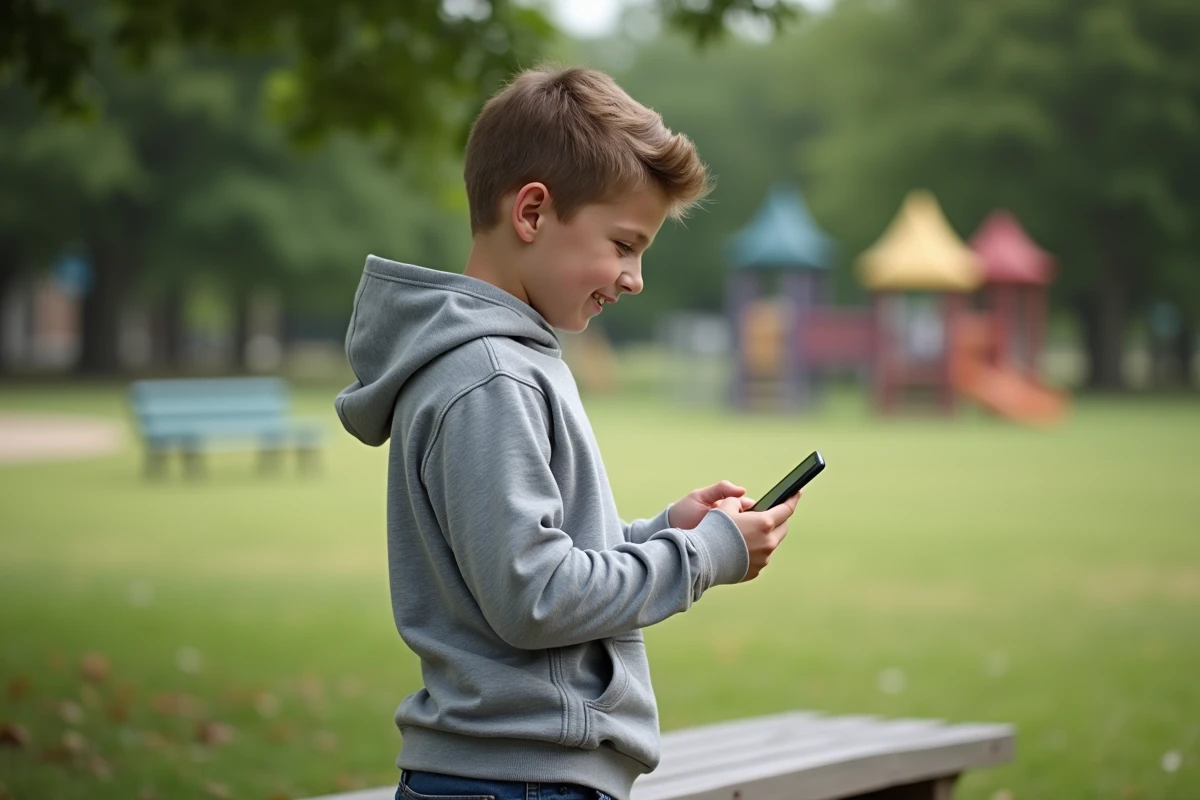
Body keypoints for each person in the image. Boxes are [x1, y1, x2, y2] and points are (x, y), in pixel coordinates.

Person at [335, 65, 800, 800]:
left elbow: (529, 557)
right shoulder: (491, 378)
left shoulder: (506, 361)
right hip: (518, 781)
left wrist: (659, 533)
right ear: (532, 214)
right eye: (623, 244)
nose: (634, 276)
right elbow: (536, 597)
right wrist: (702, 556)